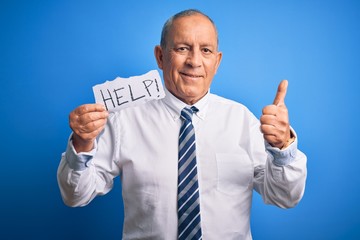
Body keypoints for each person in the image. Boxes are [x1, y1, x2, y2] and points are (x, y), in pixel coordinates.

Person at [57, 9, 307, 240]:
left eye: (206, 51)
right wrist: (82, 143)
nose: (194, 61)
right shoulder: (125, 120)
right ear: (160, 56)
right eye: (183, 48)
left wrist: (282, 148)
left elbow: (285, 197)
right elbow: (76, 195)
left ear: (217, 62)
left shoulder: (242, 120)